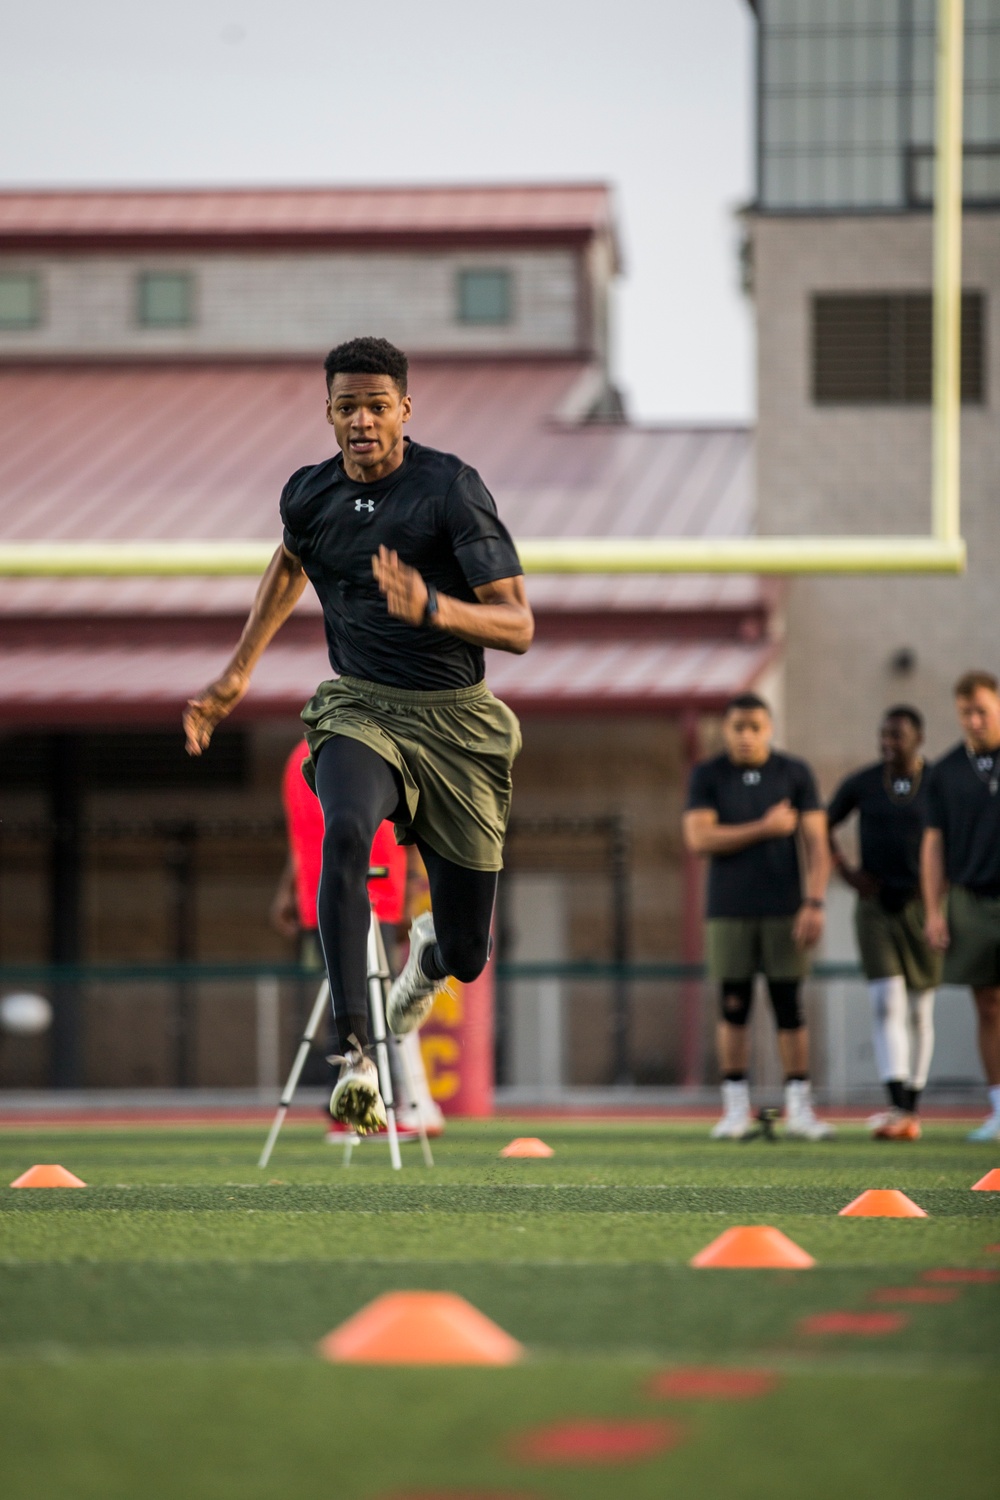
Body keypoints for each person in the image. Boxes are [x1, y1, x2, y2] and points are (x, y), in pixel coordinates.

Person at [184, 336, 532, 1134]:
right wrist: (235, 674)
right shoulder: (308, 496)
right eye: (347, 407)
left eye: (377, 406)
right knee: (344, 832)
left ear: (404, 409)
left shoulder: (450, 488)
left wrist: (433, 607)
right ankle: (355, 1058)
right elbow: (289, 565)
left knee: (467, 953)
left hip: (457, 722)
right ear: (329, 413)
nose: (363, 421)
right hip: (359, 708)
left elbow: (518, 624)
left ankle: (426, 961)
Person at [683, 693, 833, 1140]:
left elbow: (817, 844)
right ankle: (735, 1110)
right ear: (725, 730)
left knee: (790, 1005)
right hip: (729, 909)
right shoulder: (708, 774)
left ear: (769, 729)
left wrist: (814, 902)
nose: (746, 736)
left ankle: (799, 1108)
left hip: (785, 909)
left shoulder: (794, 772)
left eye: (755, 727)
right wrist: (764, 828)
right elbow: (699, 838)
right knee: (733, 1005)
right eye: (738, 727)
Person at [827, 707, 939, 1141]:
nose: (888, 743)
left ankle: (912, 1105)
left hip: (923, 905)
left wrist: (942, 886)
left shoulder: (937, 782)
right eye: (884, 735)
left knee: (920, 1008)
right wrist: (846, 872)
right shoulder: (864, 782)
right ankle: (897, 1105)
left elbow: (961, 830)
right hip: (875, 905)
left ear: (918, 738)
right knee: (886, 1001)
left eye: (898, 735)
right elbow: (822, 823)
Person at [921, 670, 1000, 1142]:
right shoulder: (946, 772)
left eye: (982, 711)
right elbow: (933, 845)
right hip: (971, 899)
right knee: (988, 1005)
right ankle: (999, 1109)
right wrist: (934, 911)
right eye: (966, 713)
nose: (974, 720)